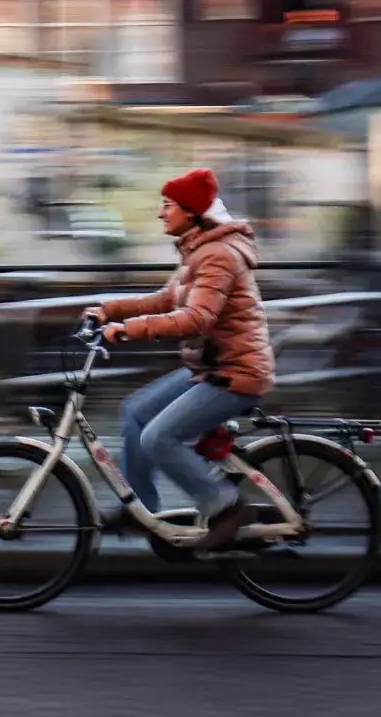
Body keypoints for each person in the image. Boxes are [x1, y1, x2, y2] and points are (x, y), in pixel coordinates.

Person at [83, 168, 272, 551]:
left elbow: (197, 318)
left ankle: (226, 506)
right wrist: (109, 310)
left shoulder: (218, 255)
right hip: (211, 369)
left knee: (158, 437)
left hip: (237, 373)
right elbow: (166, 300)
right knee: (134, 412)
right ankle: (141, 509)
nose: (160, 212)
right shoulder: (198, 250)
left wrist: (129, 330)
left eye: (167, 205)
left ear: (191, 211)